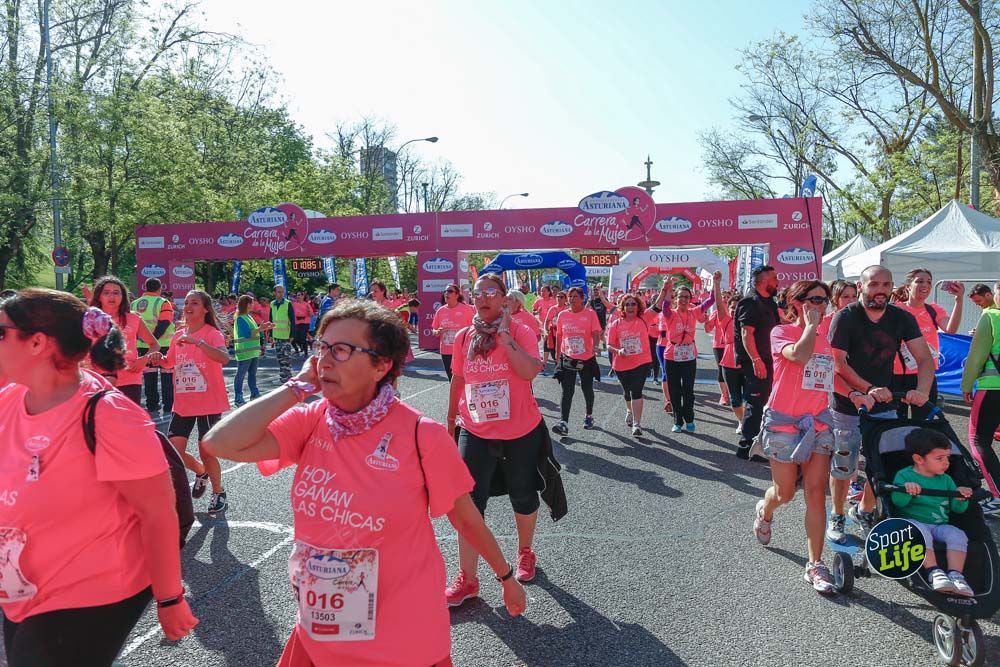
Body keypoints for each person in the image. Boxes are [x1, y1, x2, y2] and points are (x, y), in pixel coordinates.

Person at [203, 299, 526, 666]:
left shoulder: (422, 435)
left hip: (401, 635)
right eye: (322, 346)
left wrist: (506, 577)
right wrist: (297, 387)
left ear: (381, 365)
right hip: (323, 627)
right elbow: (219, 443)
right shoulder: (312, 420)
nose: (324, 359)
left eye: (341, 350)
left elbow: (466, 518)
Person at [0, 290, 197, 665]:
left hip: (90, 592)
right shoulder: (10, 399)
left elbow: (158, 512)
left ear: (38, 342)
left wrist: (169, 597)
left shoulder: (108, 415)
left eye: (0, 332)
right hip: (22, 589)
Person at [445, 274, 547, 603]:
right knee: (467, 504)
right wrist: (450, 422)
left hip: (520, 430)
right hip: (474, 429)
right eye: (478, 294)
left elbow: (529, 371)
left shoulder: (521, 331)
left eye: (491, 293)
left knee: (523, 493)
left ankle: (525, 551)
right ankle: (468, 579)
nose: (483, 298)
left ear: (504, 299)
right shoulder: (463, 338)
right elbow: (458, 379)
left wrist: (505, 339)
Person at [751, 280, 850, 594]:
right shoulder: (781, 332)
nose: (821, 306)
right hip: (783, 424)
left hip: (819, 424)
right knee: (785, 494)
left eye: (824, 301)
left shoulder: (828, 338)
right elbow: (798, 356)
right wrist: (809, 328)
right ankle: (765, 511)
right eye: (814, 300)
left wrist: (859, 394)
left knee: (815, 492)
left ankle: (815, 564)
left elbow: (833, 377)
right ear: (796, 302)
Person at [825, 265, 934, 542]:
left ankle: (865, 508)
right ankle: (837, 514)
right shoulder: (846, 317)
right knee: (844, 464)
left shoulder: (901, 317)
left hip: (884, 402)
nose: (881, 290)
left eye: (886, 285)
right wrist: (867, 389)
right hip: (847, 402)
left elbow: (924, 358)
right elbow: (838, 364)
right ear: (861, 287)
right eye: (874, 285)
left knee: (882, 462)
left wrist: (921, 390)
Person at [154, 290, 232, 516]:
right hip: (184, 402)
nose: (188, 306)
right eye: (186, 303)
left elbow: (223, 358)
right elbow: (170, 363)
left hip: (208, 402)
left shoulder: (211, 334)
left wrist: (198, 343)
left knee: (207, 450)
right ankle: (200, 471)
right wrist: (159, 359)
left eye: (195, 303)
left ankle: (219, 493)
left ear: (205, 309)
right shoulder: (177, 334)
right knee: (173, 452)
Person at [890, 428, 975, 596]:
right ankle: (933, 571)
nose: (946, 463)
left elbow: (956, 509)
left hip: (939, 525)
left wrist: (960, 498)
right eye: (940, 458)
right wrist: (905, 491)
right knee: (920, 532)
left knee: (958, 535)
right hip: (912, 523)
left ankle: (956, 575)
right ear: (919, 459)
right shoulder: (905, 476)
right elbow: (897, 503)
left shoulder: (946, 480)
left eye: (947, 458)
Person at [891, 268, 964, 419]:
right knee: (896, 420)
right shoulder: (896, 309)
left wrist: (959, 300)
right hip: (897, 374)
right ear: (908, 286)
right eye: (919, 281)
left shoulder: (933, 310)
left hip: (925, 374)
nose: (925, 285)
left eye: (929, 282)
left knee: (924, 420)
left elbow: (950, 329)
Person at [89, 275, 160, 405]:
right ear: (99, 296)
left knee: (128, 423)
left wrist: (144, 360)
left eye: (116, 293)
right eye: (107, 293)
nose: (112, 297)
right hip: (97, 380)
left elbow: (155, 344)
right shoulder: (89, 319)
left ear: (123, 297)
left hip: (130, 379)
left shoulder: (133, 318)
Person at [962, 280, 1000, 515]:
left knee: (978, 440)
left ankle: (997, 495)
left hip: (992, 388)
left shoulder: (991, 317)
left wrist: (966, 385)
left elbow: (977, 356)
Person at [734, 265, 780, 460]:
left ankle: (759, 442)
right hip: (757, 361)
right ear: (763, 282)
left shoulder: (769, 301)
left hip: (769, 360)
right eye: (774, 278)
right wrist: (756, 360)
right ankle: (747, 446)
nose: (778, 281)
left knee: (764, 401)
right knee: (755, 401)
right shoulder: (750, 302)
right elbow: (747, 333)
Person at [654, 278, 711, 433]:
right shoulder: (670, 314)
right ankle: (678, 421)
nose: (684, 299)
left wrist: (717, 283)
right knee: (675, 390)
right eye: (681, 296)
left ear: (690, 299)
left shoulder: (694, 312)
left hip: (689, 356)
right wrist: (668, 287)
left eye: (687, 297)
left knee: (688, 390)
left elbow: (710, 301)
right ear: (676, 299)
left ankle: (689, 417)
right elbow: (665, 306)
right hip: (671, 356)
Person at [552, 286, 602, 435]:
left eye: (575, 296)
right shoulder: (562, 315)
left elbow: (595, 332)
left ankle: (589, 415)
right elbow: (560, 336)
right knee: (567, 390)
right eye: (570, 296)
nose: (572, 299)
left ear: (582, 299)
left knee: (586, 388)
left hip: (586, 357)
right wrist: (557, 355)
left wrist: (596, 346)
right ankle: (563, 422)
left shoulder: (590, 314)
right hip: (568, 357)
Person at [606, 293, 651, 437]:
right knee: (627, 392)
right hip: (622, 364)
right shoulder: (616, 324)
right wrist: (618, 350)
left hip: (641, 362)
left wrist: (665, 289)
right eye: (628, 304)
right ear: (623, 308)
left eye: (633, 304)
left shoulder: (644, 319)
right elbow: (609, 345)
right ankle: (630, 410)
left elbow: (658, 305)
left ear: (638, 307)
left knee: (636, 391)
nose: (631, 307)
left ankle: (637, 425)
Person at [132, 277, 175, 416]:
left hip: (141, 345)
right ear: (159, 288)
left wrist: (145, 340)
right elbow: (165, 323)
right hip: (163, 344)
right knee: (167, 375)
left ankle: (151, 405)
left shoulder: (134, 304)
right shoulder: (163, 302)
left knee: (149, 376)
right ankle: (168, 405)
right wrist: (153, 340)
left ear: (145, 287)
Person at [234, 294, 273, 406]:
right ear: (247, 304)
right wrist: (260, 328)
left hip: (252, 351)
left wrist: (263, 328)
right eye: (251, 303)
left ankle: (254, 394)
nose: (253, 305)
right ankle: (238, 396)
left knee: (252, 374)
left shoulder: (248, 316)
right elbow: (247, 334)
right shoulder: (241, 318)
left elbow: (254, 331)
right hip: (245, 352)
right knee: (241, 374)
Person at [432, 284, 476, 380]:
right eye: (445, 291)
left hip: (463, 349)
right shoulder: (440, 311)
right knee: (451, 379)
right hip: (446, 350)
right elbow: (434, 330)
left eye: (450, 291)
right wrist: (437, 332)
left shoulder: (465, 309)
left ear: (457, 295)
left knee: (465, 377)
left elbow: (475, 327)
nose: (446, 293)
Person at [704, 281, 730, 406]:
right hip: (719, 345)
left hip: (733, 345)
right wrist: (705, 321)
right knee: (721, 369)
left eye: (727, 297)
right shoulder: (715, 313)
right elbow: (708, 329)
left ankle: (732, 392)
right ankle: (724, 395)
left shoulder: (735, 312)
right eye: (723, 297)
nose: (725, 299)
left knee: (734, 370)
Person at [270, 285, 295, 383]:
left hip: (286, 336)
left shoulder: (288, 304)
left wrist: (292, 335)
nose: (281, 293)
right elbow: (271, 319)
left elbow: (292, 320)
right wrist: (271, 335)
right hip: (276, 336)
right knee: (280, 358)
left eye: (282, 291)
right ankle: (284, 378)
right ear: (274, 293)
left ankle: (287, 379)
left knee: (286, 359)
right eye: (279, 292)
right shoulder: (272, 304)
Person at [541, 291, 568, 376]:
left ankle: (560, 368)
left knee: (562, 352)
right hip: (552, 333)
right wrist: (545, 331)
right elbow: (547, 321)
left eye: (561, 297)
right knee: (553, 352)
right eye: (557, 297)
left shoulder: (568, 309)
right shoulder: (552, 309)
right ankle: (556, 365)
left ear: (565, 299)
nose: (559, 299)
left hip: (564, 334)